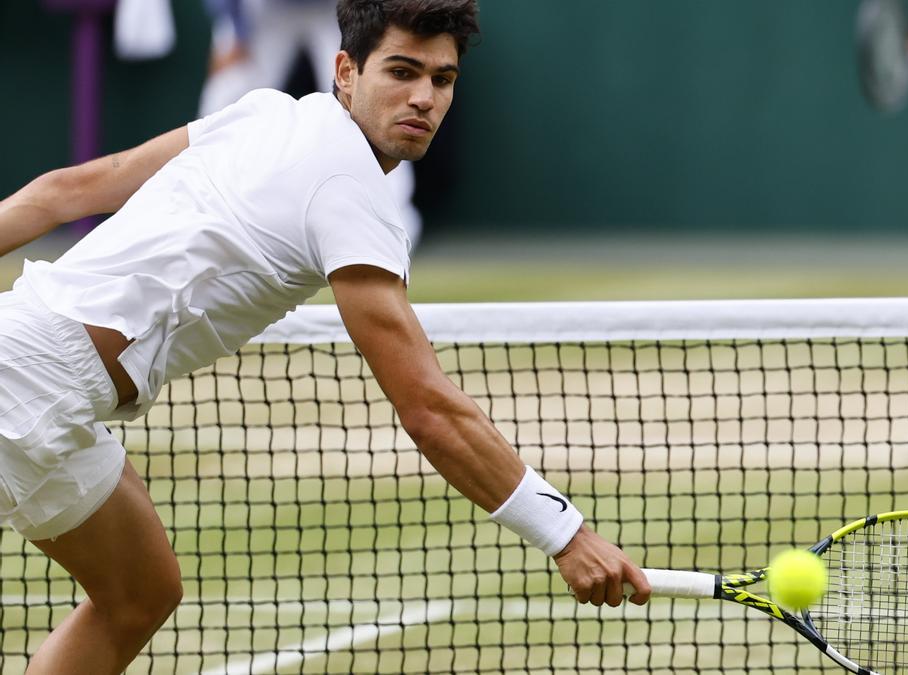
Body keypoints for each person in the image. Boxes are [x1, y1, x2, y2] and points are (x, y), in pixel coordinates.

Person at [0, 1, 651, 672]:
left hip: (57, 396)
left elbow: (67, 189)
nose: (423, 97)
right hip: (24, 383)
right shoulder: (348, 188)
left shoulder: (267, 111)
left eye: (443, 79)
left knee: (140, 591)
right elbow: (429, 410)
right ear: (346, 70)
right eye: (402, 71)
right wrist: (565, 532)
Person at [201, 0, 424, 247]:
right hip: (264, 9)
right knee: (228, 95)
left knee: (369, 96)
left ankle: (393, 225)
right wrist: (233, 29)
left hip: (338, 6)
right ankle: (203, 215)